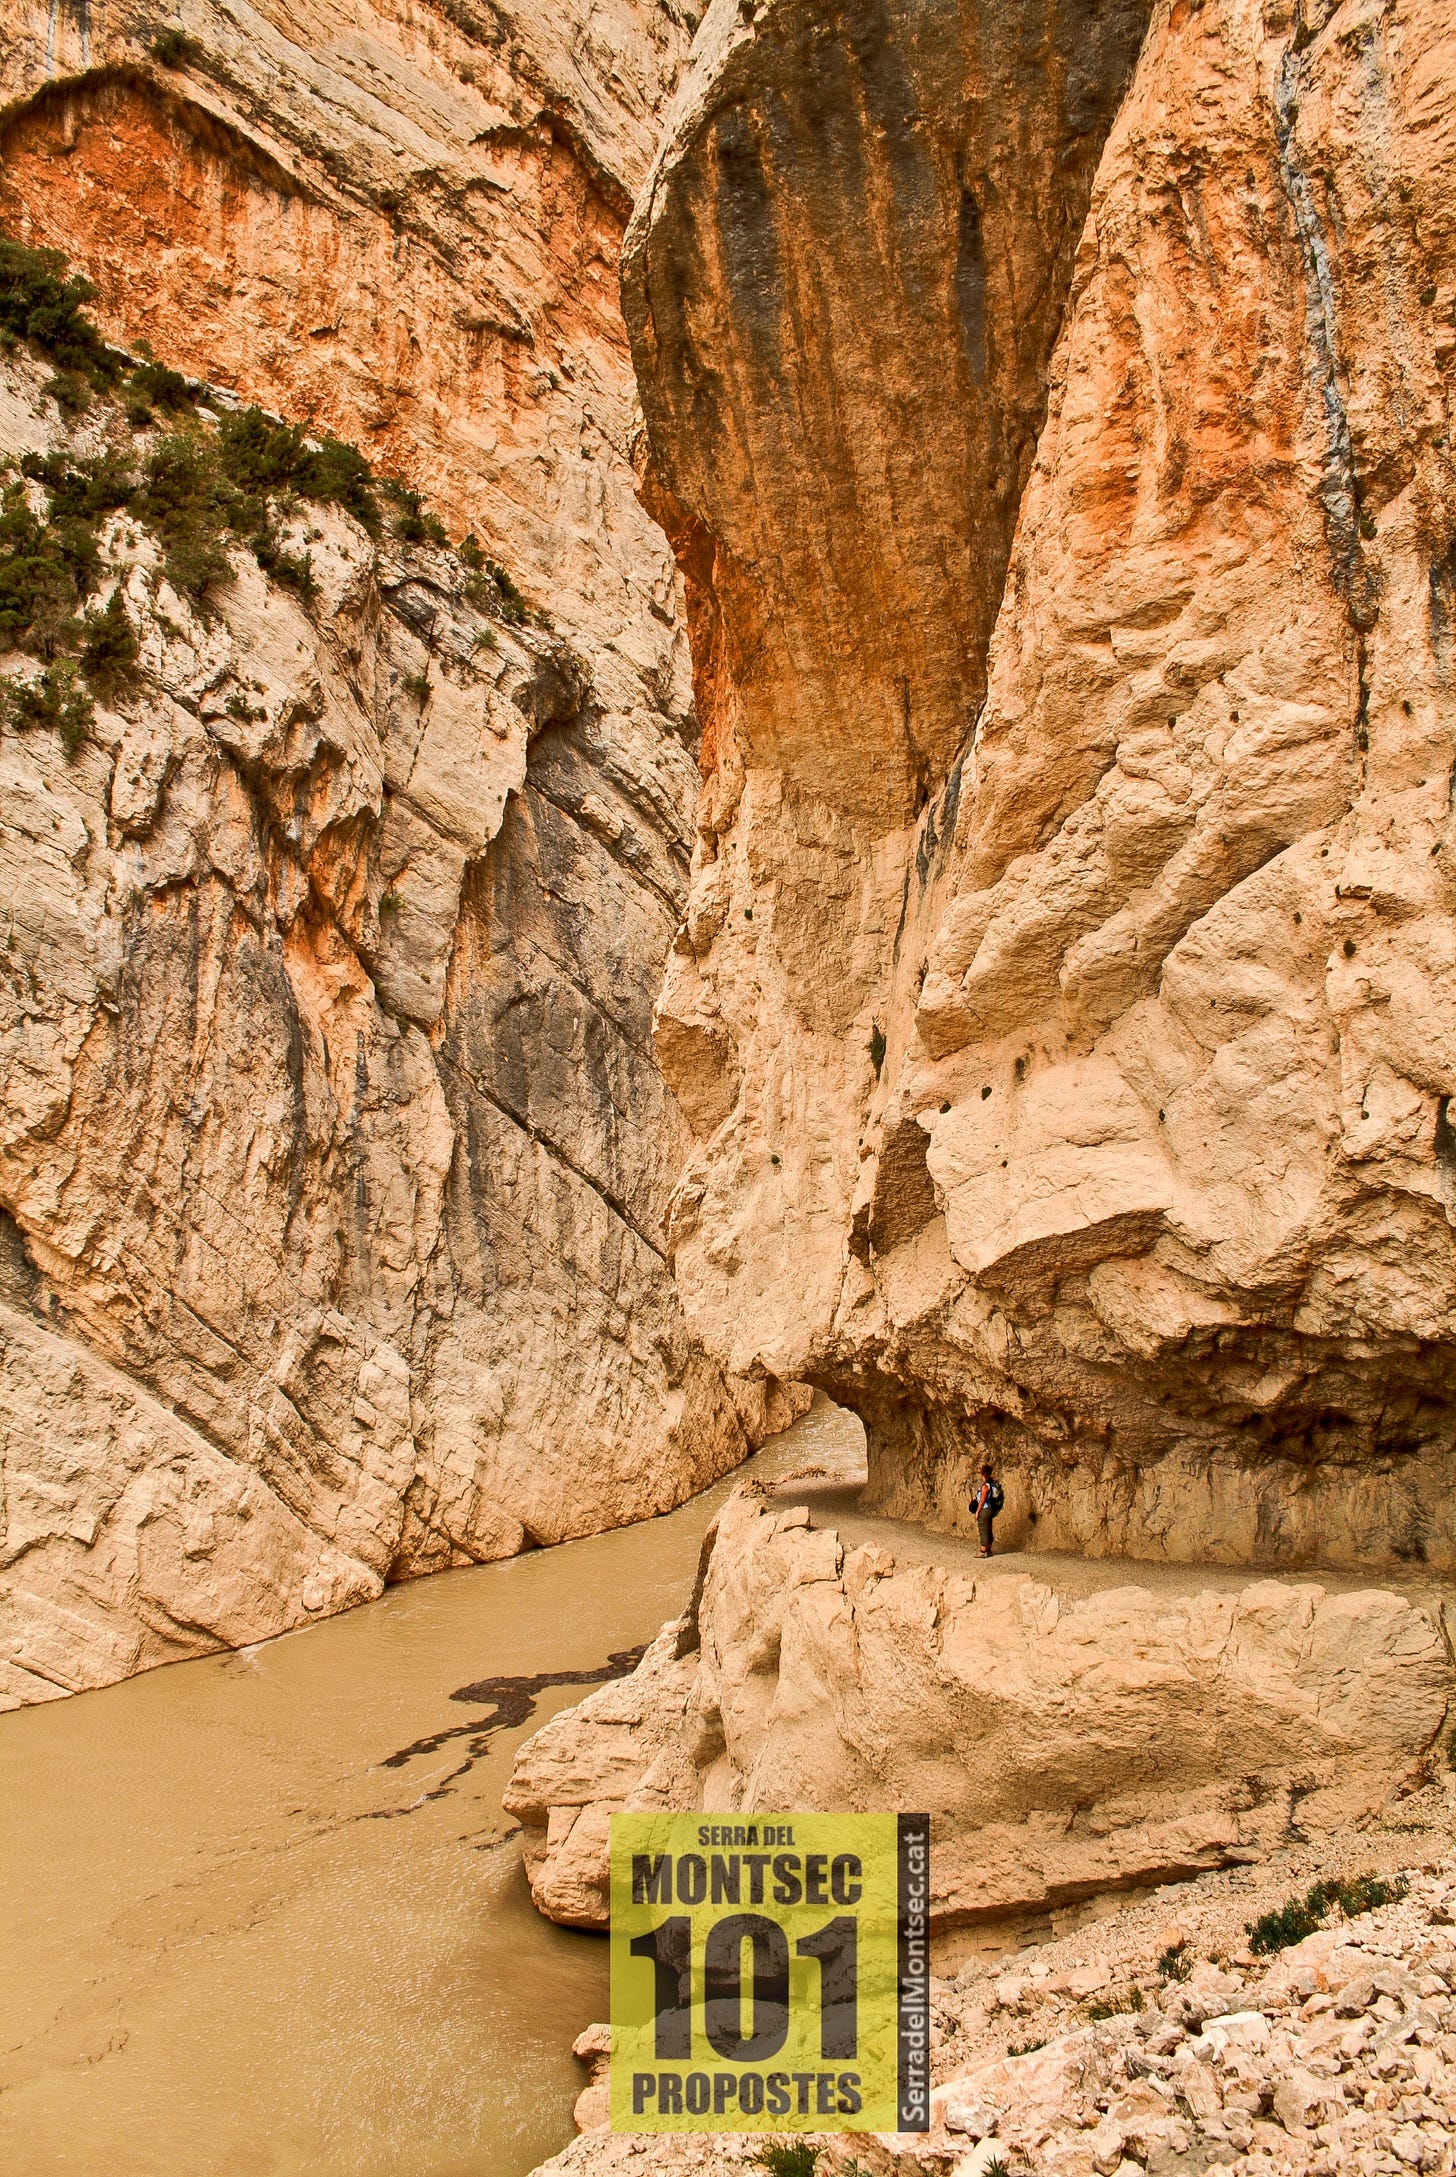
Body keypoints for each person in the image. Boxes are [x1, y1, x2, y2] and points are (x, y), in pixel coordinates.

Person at [972, 1462, 1004, 1556]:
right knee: (988, 1528)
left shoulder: (985, 1486)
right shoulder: (991, 1484)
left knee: (983, 1529)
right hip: (990, 1509)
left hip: (985, 1510)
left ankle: (983, 1551)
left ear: (982, 1473)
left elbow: (982, 1500)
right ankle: (988, 1550)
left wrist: (977, 1511)